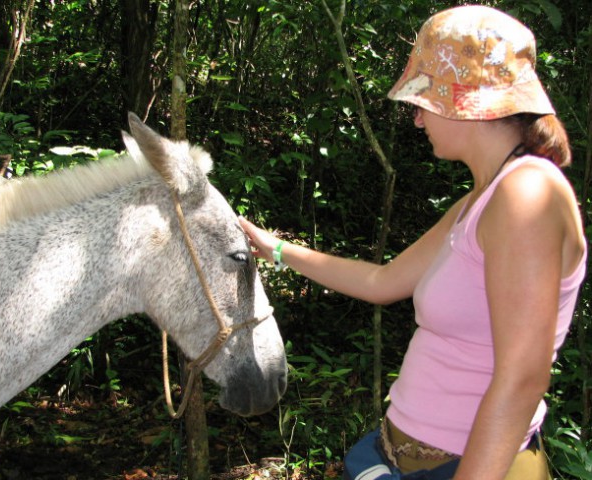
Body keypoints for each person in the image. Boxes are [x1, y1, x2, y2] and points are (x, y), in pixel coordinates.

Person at [239, 5, 586, 480]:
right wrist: (275, 248)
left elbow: (522, 378)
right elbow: (382, 281)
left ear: (464, 99)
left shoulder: (526, 194)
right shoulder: (479, 201)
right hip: (397, 457)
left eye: (422, 101)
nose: (417, 120)